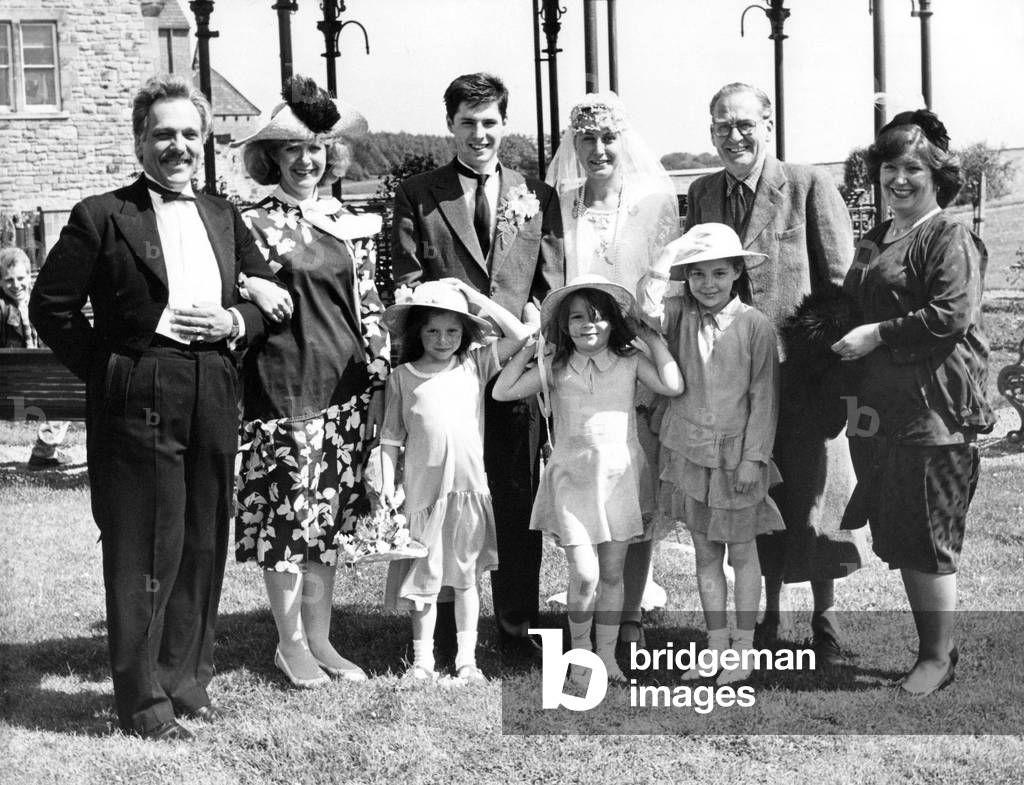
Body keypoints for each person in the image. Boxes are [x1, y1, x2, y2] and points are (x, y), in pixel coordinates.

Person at [29, 74, 280, 740]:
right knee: (147, 548)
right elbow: (49, 308)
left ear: (205, 141)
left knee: (202, 538)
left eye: (189, 134)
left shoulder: (226, 216)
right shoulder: (101, 215)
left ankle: (185, 680)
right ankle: (143, 702)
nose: (178, 146)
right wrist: (115, 367)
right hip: (139, 391)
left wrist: (235, 321)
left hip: (213, 388)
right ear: (140, 139)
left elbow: (267, 301)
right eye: (163, 133)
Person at [685, 82, 867, 662]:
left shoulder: (808, 183)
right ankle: (762, 619)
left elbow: (843, 285)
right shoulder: (701, 192)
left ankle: (825, 621)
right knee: (749, 494)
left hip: (801, 378)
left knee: (813, 495)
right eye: (721, 126)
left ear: (768, 123)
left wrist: (828, 369)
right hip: (730, 380)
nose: (733, 136)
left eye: (744, 124)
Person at [392, 72, 564, 659]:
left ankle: (516, 626)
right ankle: (442, 630)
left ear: (504, 125)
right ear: (450, 126)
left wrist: (533, 321)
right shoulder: (419, 193)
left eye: (490, 122)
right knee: (444, 495)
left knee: (516, 496)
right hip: (446, 370)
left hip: (514, 369)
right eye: (467, 122)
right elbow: (410, 281)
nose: (479, 134)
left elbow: (550, 284)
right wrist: (455, 327)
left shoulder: (536, 194)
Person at [230, 77, 388, 688]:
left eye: (317, 148)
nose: (306, 160)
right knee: (287, 523)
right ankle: (289, 643)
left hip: (345, 390)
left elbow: (368, 305)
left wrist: (379, 379)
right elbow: (228, 284)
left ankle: (320, 639)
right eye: (292, 150)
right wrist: (247, 286)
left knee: (327, 523)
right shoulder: (250, 224)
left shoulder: (347, 221)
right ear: (272, 158)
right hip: (283, 388)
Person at [831, 110, 994, 696]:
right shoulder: (876, 240)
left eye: (912, 168)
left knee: (929, 532)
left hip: (937, 406)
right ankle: (937, 647)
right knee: (901, 529)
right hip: (883, 409)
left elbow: (950, 315)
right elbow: (851, 305)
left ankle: (935, 657)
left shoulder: (947, 234)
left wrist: (876, 334)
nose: (898, 178)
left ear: (936, 176)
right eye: (890, 167)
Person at [493, 274, 683, 683]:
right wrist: (529, 349)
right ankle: (580, 655)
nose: (587, 325)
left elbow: (672, 383)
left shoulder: (630, 361)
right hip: (573, 481)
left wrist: (650, 337)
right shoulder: (557, 366)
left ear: (614, 321)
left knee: (612, 574)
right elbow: (502, 392)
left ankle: (607, 656)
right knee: (586, 574)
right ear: (564, 324)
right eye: (577, 317)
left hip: (619, 479)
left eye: (597, 317)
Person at [545, 91, 681, 645]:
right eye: (587, 138)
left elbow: (668, 276)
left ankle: (628, 617)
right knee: (588, 476)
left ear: (624, 140)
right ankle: (594, 609)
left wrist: (649, 336)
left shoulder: (653, 199)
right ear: (572, 144)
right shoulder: (563, 201)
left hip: (634, 351)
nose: (598, 149)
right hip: (579, 352)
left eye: (608, 138)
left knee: (635, 484)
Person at [640, 224, 784, 684]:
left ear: (738, 272)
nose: (708, 284)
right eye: (697, 274)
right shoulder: (678, 313)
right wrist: (669, 254)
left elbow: (764, 397)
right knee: (705, 554)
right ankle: (715, 642)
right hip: (688, 452)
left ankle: (743, 647)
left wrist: (752, 458)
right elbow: (643, 309)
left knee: (742, 553)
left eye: (719, 273)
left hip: (737, 456)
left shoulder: (755, 325)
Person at [379, 279, 533, 681]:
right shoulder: (402, 377)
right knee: (424, 580)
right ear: (418, 333)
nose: (442, 339)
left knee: (465, 577)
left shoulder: (474, 365)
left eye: (452, 330)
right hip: (423, 496)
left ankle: (467, 659)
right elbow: (390, 440)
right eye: (432, 330)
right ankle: (422, 661)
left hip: (467, 493)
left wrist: (477, 299)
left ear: (465, 333)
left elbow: (520, 335)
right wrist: (383, 484)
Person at [0, 247, 71, 469]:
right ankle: (45, 450)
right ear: (1, 283)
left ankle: (45, 451)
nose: (16, 284)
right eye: (9, 280)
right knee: (68, 385)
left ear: (30, 276)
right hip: (37, 389)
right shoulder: (43, 304)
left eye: (20, 278)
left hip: (10, 391)